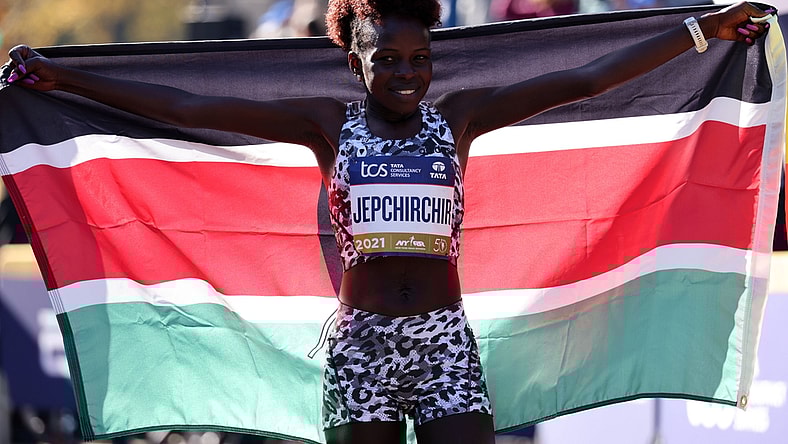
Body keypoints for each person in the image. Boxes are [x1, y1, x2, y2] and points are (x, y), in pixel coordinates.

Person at [2, 0, 772, 443]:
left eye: (418, 58)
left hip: (444, 343)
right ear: (355, 62)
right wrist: (64, 76)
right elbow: (189, 108)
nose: (407, 74)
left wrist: (703, 30)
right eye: (388, 61)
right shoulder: (328, 126)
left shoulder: (463, 117)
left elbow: (589, 75)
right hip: (362, 348)